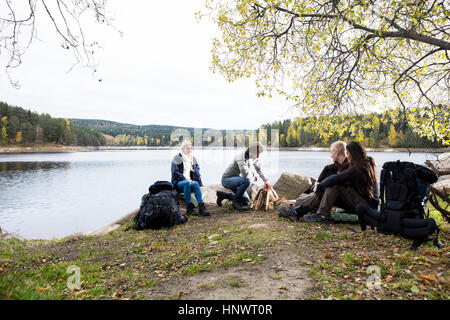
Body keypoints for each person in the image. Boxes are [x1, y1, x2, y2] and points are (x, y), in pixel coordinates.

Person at [302, 141, 379, 223]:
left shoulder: (359, 168)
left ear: (353, 154)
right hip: (365, 204)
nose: (347, 156)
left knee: (335, 186)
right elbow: (332, 173)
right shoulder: (366, 163)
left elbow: (337, 178)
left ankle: (320, 215)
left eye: (348, 153)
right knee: (332, 187)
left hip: (367, 207)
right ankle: (307, 211)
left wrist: (320, 186)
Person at [278, 140, 349, 222]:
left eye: (331, 153)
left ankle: (297, 211)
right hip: (339, 195)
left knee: (325, 189)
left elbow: (340, 185)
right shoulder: (340, 164)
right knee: (320, 186)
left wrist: (321, 186)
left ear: (336, 153)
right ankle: (297, 211)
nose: (331, 156)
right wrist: (317, 183)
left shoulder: (349, 166)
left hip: (349, 201)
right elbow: (327, 168)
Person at [217, 142, 273, 210]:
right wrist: (253, 174)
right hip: (227, 180)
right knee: (247, 181)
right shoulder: (241, 157)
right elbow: (245, 175)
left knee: (246, 202)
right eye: (258, 153)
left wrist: (265, 180)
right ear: (252, 152)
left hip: (237, 180)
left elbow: (258, 169)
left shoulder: (253, 157)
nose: (258, 156)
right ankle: (235, 202)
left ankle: (223, 195)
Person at [171, 140, 210, 216]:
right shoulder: (177, 158)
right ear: (182, 149)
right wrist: (186, 180)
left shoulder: (193, 159)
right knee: (187, 183)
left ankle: (201, 207)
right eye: (187, 148)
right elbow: (175, 172)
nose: (189, 150)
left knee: (195, 183)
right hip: (179, 183)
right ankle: (189, 208)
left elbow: (197, 173)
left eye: (190, 148)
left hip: (190, 183)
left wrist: (201, 184)